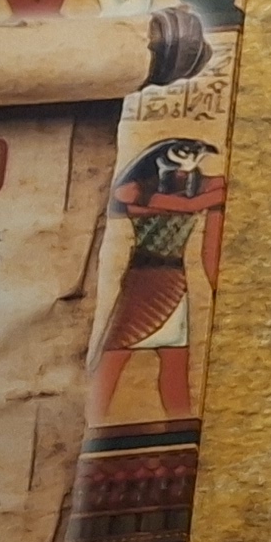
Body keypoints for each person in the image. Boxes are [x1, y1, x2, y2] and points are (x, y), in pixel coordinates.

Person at [96, 138, 225, 423]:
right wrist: (189, 202)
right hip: (143, 279)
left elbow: (210, 197)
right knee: (117, 351)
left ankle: (179, 423)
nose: (187, 166)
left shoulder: (201, 186)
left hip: (174, 281)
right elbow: (130, 196)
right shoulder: (136, 189)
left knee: (174, 356)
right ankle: (96, 418)